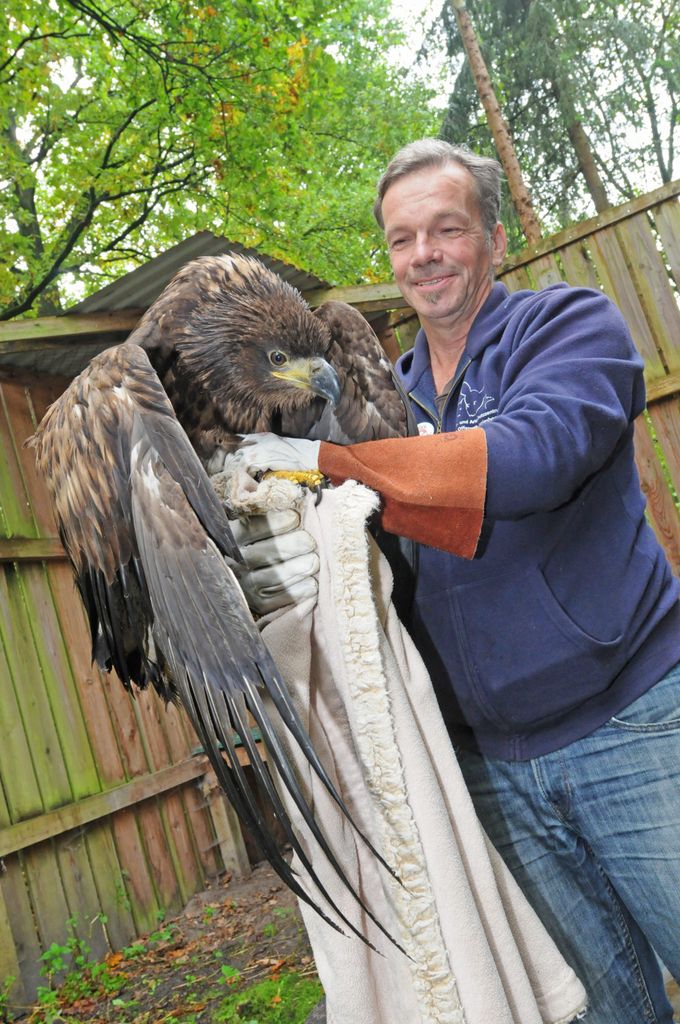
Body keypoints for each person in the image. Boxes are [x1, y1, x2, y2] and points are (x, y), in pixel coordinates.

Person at [232, 139, 680, 1024]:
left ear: (494, 237)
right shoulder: (381, 401)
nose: (424, 254)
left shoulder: (568, 328)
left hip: (631, 727)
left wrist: (324, 461)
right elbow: (372, 569)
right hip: (490, 773)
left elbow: (529, 462)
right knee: (605, 1010)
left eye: (447, 228)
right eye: (403, 239)